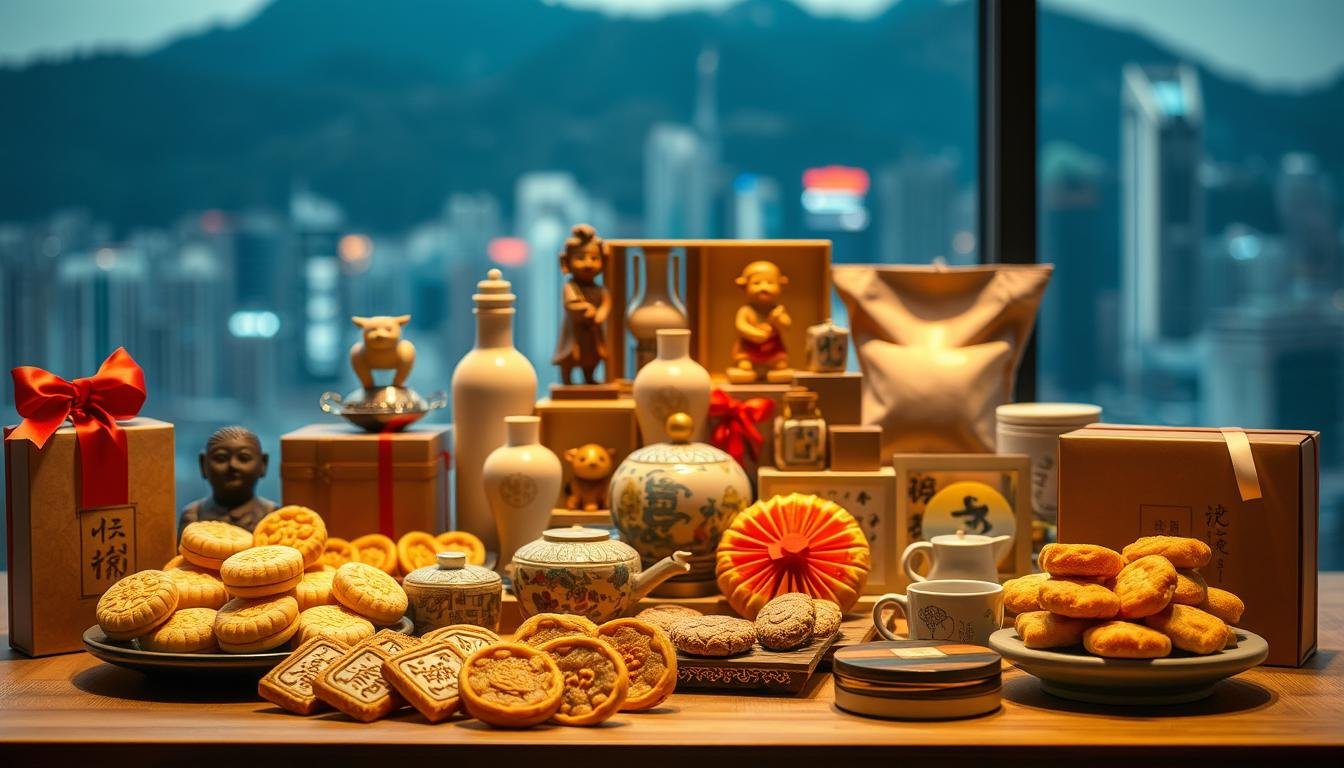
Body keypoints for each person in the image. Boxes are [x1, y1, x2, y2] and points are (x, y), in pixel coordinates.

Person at [178, 426, 276, 532]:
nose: (233, 465)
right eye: (221, 458)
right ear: (203, 464)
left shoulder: (274, 516)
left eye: (244, 458)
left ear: (263, 464)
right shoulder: (193, 515)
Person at [552, 223, 611, 384]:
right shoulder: (570, 287)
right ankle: (567, 380)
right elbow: (571, 304)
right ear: (567, 262)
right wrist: (586, 308)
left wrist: (600, 315)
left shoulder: (600, 290)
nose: (588, 263)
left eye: (594, 258)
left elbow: (606, 304)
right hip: (574, 330)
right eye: (580, 258)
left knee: (592, 356)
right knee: (570, 355)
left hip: (592, 331)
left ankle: (589, 377)